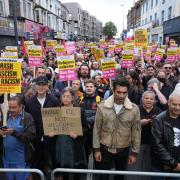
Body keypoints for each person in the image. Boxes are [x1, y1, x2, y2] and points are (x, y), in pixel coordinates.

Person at [93, 78, 141, 180]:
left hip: (123, 149)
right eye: (118, 92)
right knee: (103, 176)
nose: (121, 95)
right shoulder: (102, 107)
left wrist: (134, 153)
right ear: (113, 90)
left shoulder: (134, 109)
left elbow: (136, 132)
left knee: (120, 176)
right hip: (104, 148)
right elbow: (96, 129)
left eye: (124, 93)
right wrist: (96, 149)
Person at [25, 76, 59, 178]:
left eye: (43, 84)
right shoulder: (30, 102)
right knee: (37, 161)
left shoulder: (54, 100)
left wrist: (55, 131)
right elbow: (27, 119)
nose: (41, 87)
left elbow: (58, 119)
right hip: (36, 137)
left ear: (47, 86)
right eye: (39, 84)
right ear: (35, 86)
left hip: (52, 137)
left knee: (54, 160)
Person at [126, 91, 162, 180]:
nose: (149, 100)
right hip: (137, 143)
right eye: (146, 98)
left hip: (152, 144)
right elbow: (127, 124)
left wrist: (155, 123)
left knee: (148, 167)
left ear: (154, 100)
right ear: (142, 99)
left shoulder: (158, 111)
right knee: (134, 167)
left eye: (151, 99)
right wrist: (139, 123)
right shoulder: (136, 109)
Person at [0, 95, 36, 180]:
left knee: (25, 177)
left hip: (22, 159)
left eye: (14, 107)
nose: (11, 110)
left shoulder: (27, 117)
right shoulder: (5, 116)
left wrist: (14, 132)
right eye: (10, 107)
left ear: (21, 106)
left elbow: (31, 136)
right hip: (7, 159)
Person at [55, 87, 86, 180]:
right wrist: (51, 132)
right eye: (63, 96)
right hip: (61, 143)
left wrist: (78, 134)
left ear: (73, 98)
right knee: (64, 168)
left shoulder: (79, 110)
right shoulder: (57, 110)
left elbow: (86, 128)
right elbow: (52, 125)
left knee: (77, 169)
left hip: (75, 144)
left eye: (68, 96)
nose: (65, 98)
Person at [151, 90, 180, 180]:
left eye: (179, 104)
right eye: (174, 104)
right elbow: (157, 145)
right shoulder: (159, 120)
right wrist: (174, 164)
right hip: (161, 166)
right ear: (168, 103)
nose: (177, 107)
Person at [80, 79, 101, 163]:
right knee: (84, 153)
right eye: (87, 86)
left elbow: (101, 115)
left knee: (96, 151)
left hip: (95, 131)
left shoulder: (100, 99)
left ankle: (97, 172)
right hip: (83, 131)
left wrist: (87, 120)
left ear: (95, 88)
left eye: (91, 87)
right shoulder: (80, 99)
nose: (89, 88)